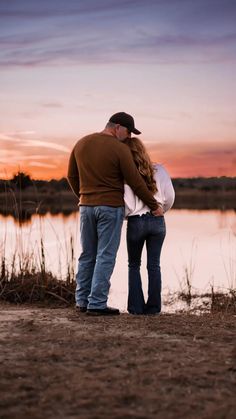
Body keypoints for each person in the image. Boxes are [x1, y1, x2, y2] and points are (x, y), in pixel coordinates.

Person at [67, 112, 163, 316]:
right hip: (110, 208)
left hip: (86, 207)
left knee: (87, 255)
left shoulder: (81, 143)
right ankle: (97, 304)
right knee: (105, 255)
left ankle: (82, 301)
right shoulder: (119, 149)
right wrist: (154, 205)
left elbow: (71, 176)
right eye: (128, 132)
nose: (129, 137)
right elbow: (136, 182)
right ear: (117, 127)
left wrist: (83, 196)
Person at [123, 136, 175, 315]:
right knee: (154, 265)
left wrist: (126, 216)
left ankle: (136, 308)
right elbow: (170, 196)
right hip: (157, 221)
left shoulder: (125, 175)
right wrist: (162, 210)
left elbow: (125, 205)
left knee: (133, 265)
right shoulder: (159, 169)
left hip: (136, 221)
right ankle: (153, 308)